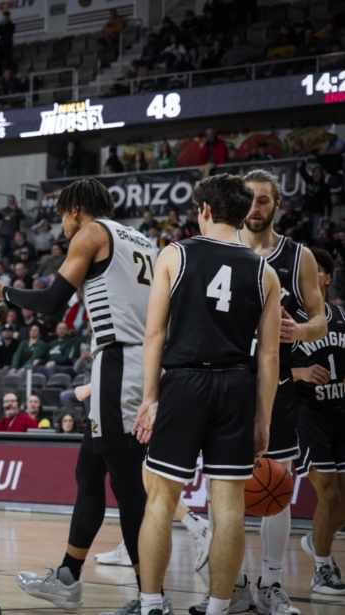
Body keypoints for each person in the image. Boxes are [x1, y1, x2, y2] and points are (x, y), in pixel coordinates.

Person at [0, 178, 157, 614]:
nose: (61, 223)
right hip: (135, 360)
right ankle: (67, 577)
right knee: (88, 472)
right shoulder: (143, 240)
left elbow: (52, 301)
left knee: (129, 488)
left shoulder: (91, 233)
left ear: (76, 209)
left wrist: (0, 291)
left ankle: (151, 598)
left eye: (61, 213)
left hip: (120, 361)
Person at [131, 174, 280, 615]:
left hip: (184, 381)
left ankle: (151, 604)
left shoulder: (175, 254)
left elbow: (155, 334)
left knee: (160, 498)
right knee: (230, 508)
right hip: (236, 385)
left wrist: (150, 397)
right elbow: (269, 357)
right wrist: (262, 418)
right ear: (240, 214)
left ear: (207, 211)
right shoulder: (264, 271)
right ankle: (218, 608)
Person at [236, 169, 327, 615]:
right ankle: (233, 585)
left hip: (281, 386)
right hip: (229, 381)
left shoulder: (299, 256)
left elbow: (321, 320)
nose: (255, 208)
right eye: (249, 200)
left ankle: (271, 583)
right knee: (224, 487)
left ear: (278, 205)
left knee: (277, 484)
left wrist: (300, 329)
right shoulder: (224, 249)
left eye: (263, 201)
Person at [291, 246, 345, 595]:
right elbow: (269, 367)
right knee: (328, 494)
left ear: (325, 277)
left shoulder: (340, 317)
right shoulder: (289, 320)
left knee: (342, 502)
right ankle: (322, 570)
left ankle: (317, 538)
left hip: (340, 414)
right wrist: (301, 371)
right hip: (307, 416)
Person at [299, 159, 332, 239]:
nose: (316, 174)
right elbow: (301, 170)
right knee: (304, 229)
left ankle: (316, 249)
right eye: (314, 172)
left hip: (318, 212)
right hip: (306, 210)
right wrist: (305, 160)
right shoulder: (309, 181)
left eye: (318, 172)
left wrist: (328, 214)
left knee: (316, 232)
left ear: (321, 175)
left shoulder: (324, 186)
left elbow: (328, 201)